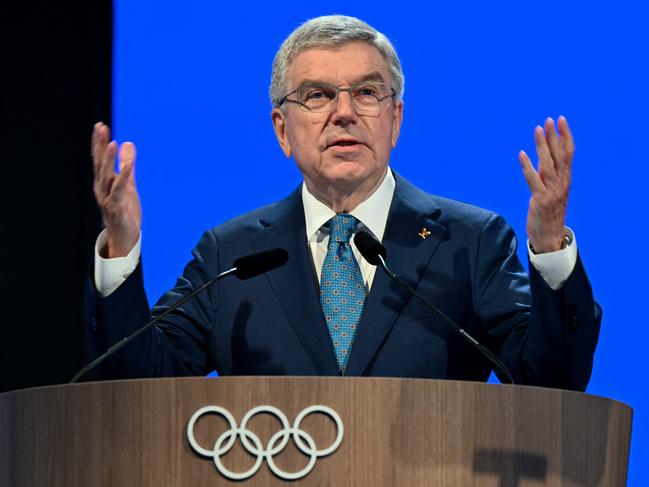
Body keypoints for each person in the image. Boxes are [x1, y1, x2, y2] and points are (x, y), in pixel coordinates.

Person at [87, 15, 600, 389]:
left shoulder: (472, 241)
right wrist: (121, 251)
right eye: (317, 96)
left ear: (395, 120)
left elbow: (549, 382)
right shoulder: (231, 253)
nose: (345, 113)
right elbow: (138, 385)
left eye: (368, 93)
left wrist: (551, 245)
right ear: (282, 130)